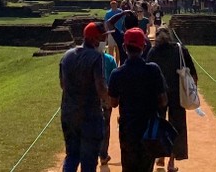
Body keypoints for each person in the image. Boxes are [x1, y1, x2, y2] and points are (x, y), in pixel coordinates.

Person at [108, 28, 168, 172]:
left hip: (128, 129)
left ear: (124, 47)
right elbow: (163, 101)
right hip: (149, 128)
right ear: (144, 46)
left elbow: (113, 103)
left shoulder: (117, 73)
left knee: (128, 167)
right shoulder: (153, 70)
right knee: (146, 167)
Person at [145, 27, 197, 172]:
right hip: (177, 95)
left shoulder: (153, 52)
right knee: (177, 127)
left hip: (158, 95)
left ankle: (160, 156)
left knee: (158, 125)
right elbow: (193, 74)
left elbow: (147, 76)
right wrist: (191, 92)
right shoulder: (180, 50)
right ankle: (171, 161)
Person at [60, 21, 108, 172]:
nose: (104, 41)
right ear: (94, 39)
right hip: (90, 115)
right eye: (102, 38)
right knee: (89, 160)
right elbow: (100, 88)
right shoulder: (96, 57)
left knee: (72, 155)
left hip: (69, 112)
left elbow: (62, 84)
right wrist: (109, 99)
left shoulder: (66, 56)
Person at [99, 40, 118, 165]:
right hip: (105, 98)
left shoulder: (84, 57)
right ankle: (103, 154)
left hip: (89, 98)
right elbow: (114, 80)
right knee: (105, 126)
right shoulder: (110, 59)